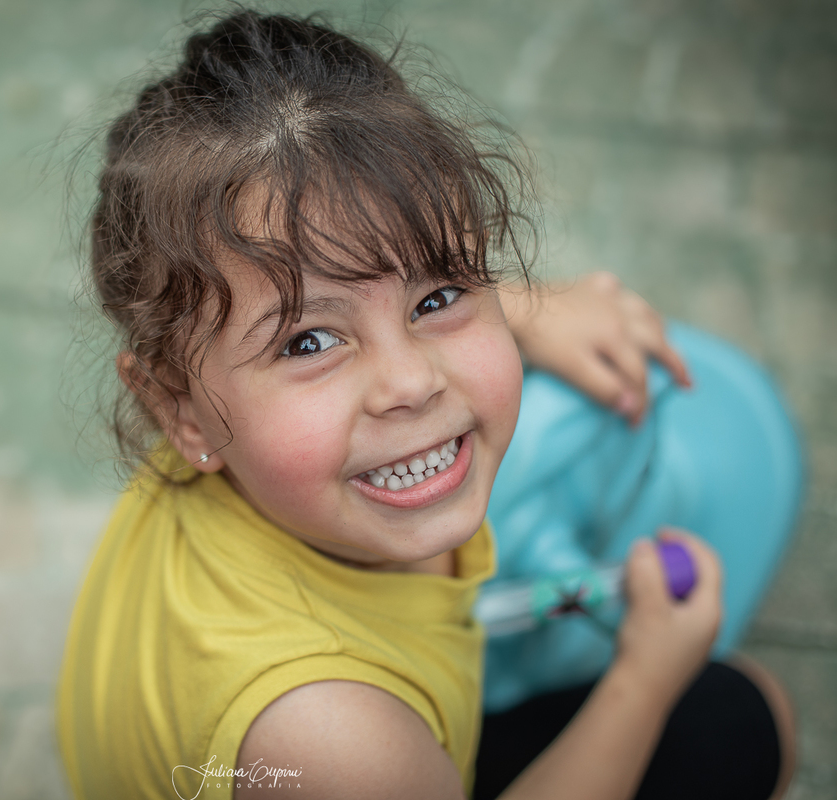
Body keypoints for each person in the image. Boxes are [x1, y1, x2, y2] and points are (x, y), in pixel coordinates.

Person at [56, 10, 792, 799]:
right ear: (179, 411)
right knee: (744, 721)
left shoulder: (227, 407)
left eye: (438, 297)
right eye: (309, 342)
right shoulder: (331, 743)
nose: (410, 383)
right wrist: (645, 678)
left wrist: (530, 308)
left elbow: (354, 274)